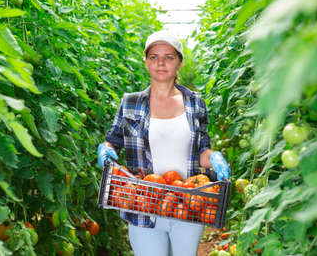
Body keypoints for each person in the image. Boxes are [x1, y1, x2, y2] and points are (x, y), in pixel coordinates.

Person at [96, 30, 230, 256]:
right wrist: (106, 151)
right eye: (154, 57)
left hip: (188, 203)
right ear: (146, 62)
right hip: (142, 203)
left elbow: (201, 151)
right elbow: (113, 141)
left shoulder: (196, 103)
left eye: (169, 57)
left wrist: (214, 158)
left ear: (179, 63)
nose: (161, 63)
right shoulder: (130, 102)